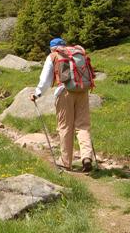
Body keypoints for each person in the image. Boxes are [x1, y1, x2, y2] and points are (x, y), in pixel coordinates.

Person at [30, 37, 96, 172]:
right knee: (83, 125)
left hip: (65, 92)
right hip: (82, 90)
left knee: (65, 127)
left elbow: (45, 80)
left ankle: (66, 162)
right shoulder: (76, 53)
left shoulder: (53, 56)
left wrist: (37, 94)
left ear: (52, 47)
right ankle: (86, 156)